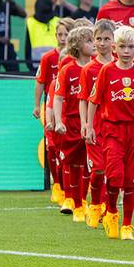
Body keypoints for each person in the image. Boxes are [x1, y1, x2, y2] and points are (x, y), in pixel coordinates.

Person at [86, 25, 134, 240]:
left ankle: (127, 225)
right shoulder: (107, 71)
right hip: (112, 130)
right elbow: (94, 99)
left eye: (131, 47)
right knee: (114, 176)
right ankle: (111, 211)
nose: (127, 51)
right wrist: (89, 125)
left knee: (131, 180)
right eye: (122, 47)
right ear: (115, 48)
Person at [78, 19, 118, 229]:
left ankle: (109, 207)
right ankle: (95, 205)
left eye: (106, 39)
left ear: (114, 41)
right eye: (98, 39)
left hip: (116, 128)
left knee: (113, 172)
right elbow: (83, 99)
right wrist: (86, 123)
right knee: (99, 170)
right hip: (96, 126)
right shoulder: (89, 69)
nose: (102, 43)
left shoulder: (121, 65)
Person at [52, 26, 95, 221]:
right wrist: (58, 120)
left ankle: (85, 202)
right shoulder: (68, 70)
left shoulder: (96, 67)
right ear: (77, 45)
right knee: (72, 163)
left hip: (91, 122)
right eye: (89, 41)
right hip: (71, 123)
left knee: (88, 164)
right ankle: (73, 202)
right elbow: (58, 98)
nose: (94, 44)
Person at [35, 17, 74, 202]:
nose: (63, 37)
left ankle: (72, 188)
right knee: (52, 146)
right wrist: (37, 105)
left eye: (66, 34)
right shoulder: (48, 57)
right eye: (60, 34)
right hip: (51, 106)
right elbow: (41, 81)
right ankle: (57, 184)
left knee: (68, 149)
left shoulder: (77, 59)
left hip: (71, 109)